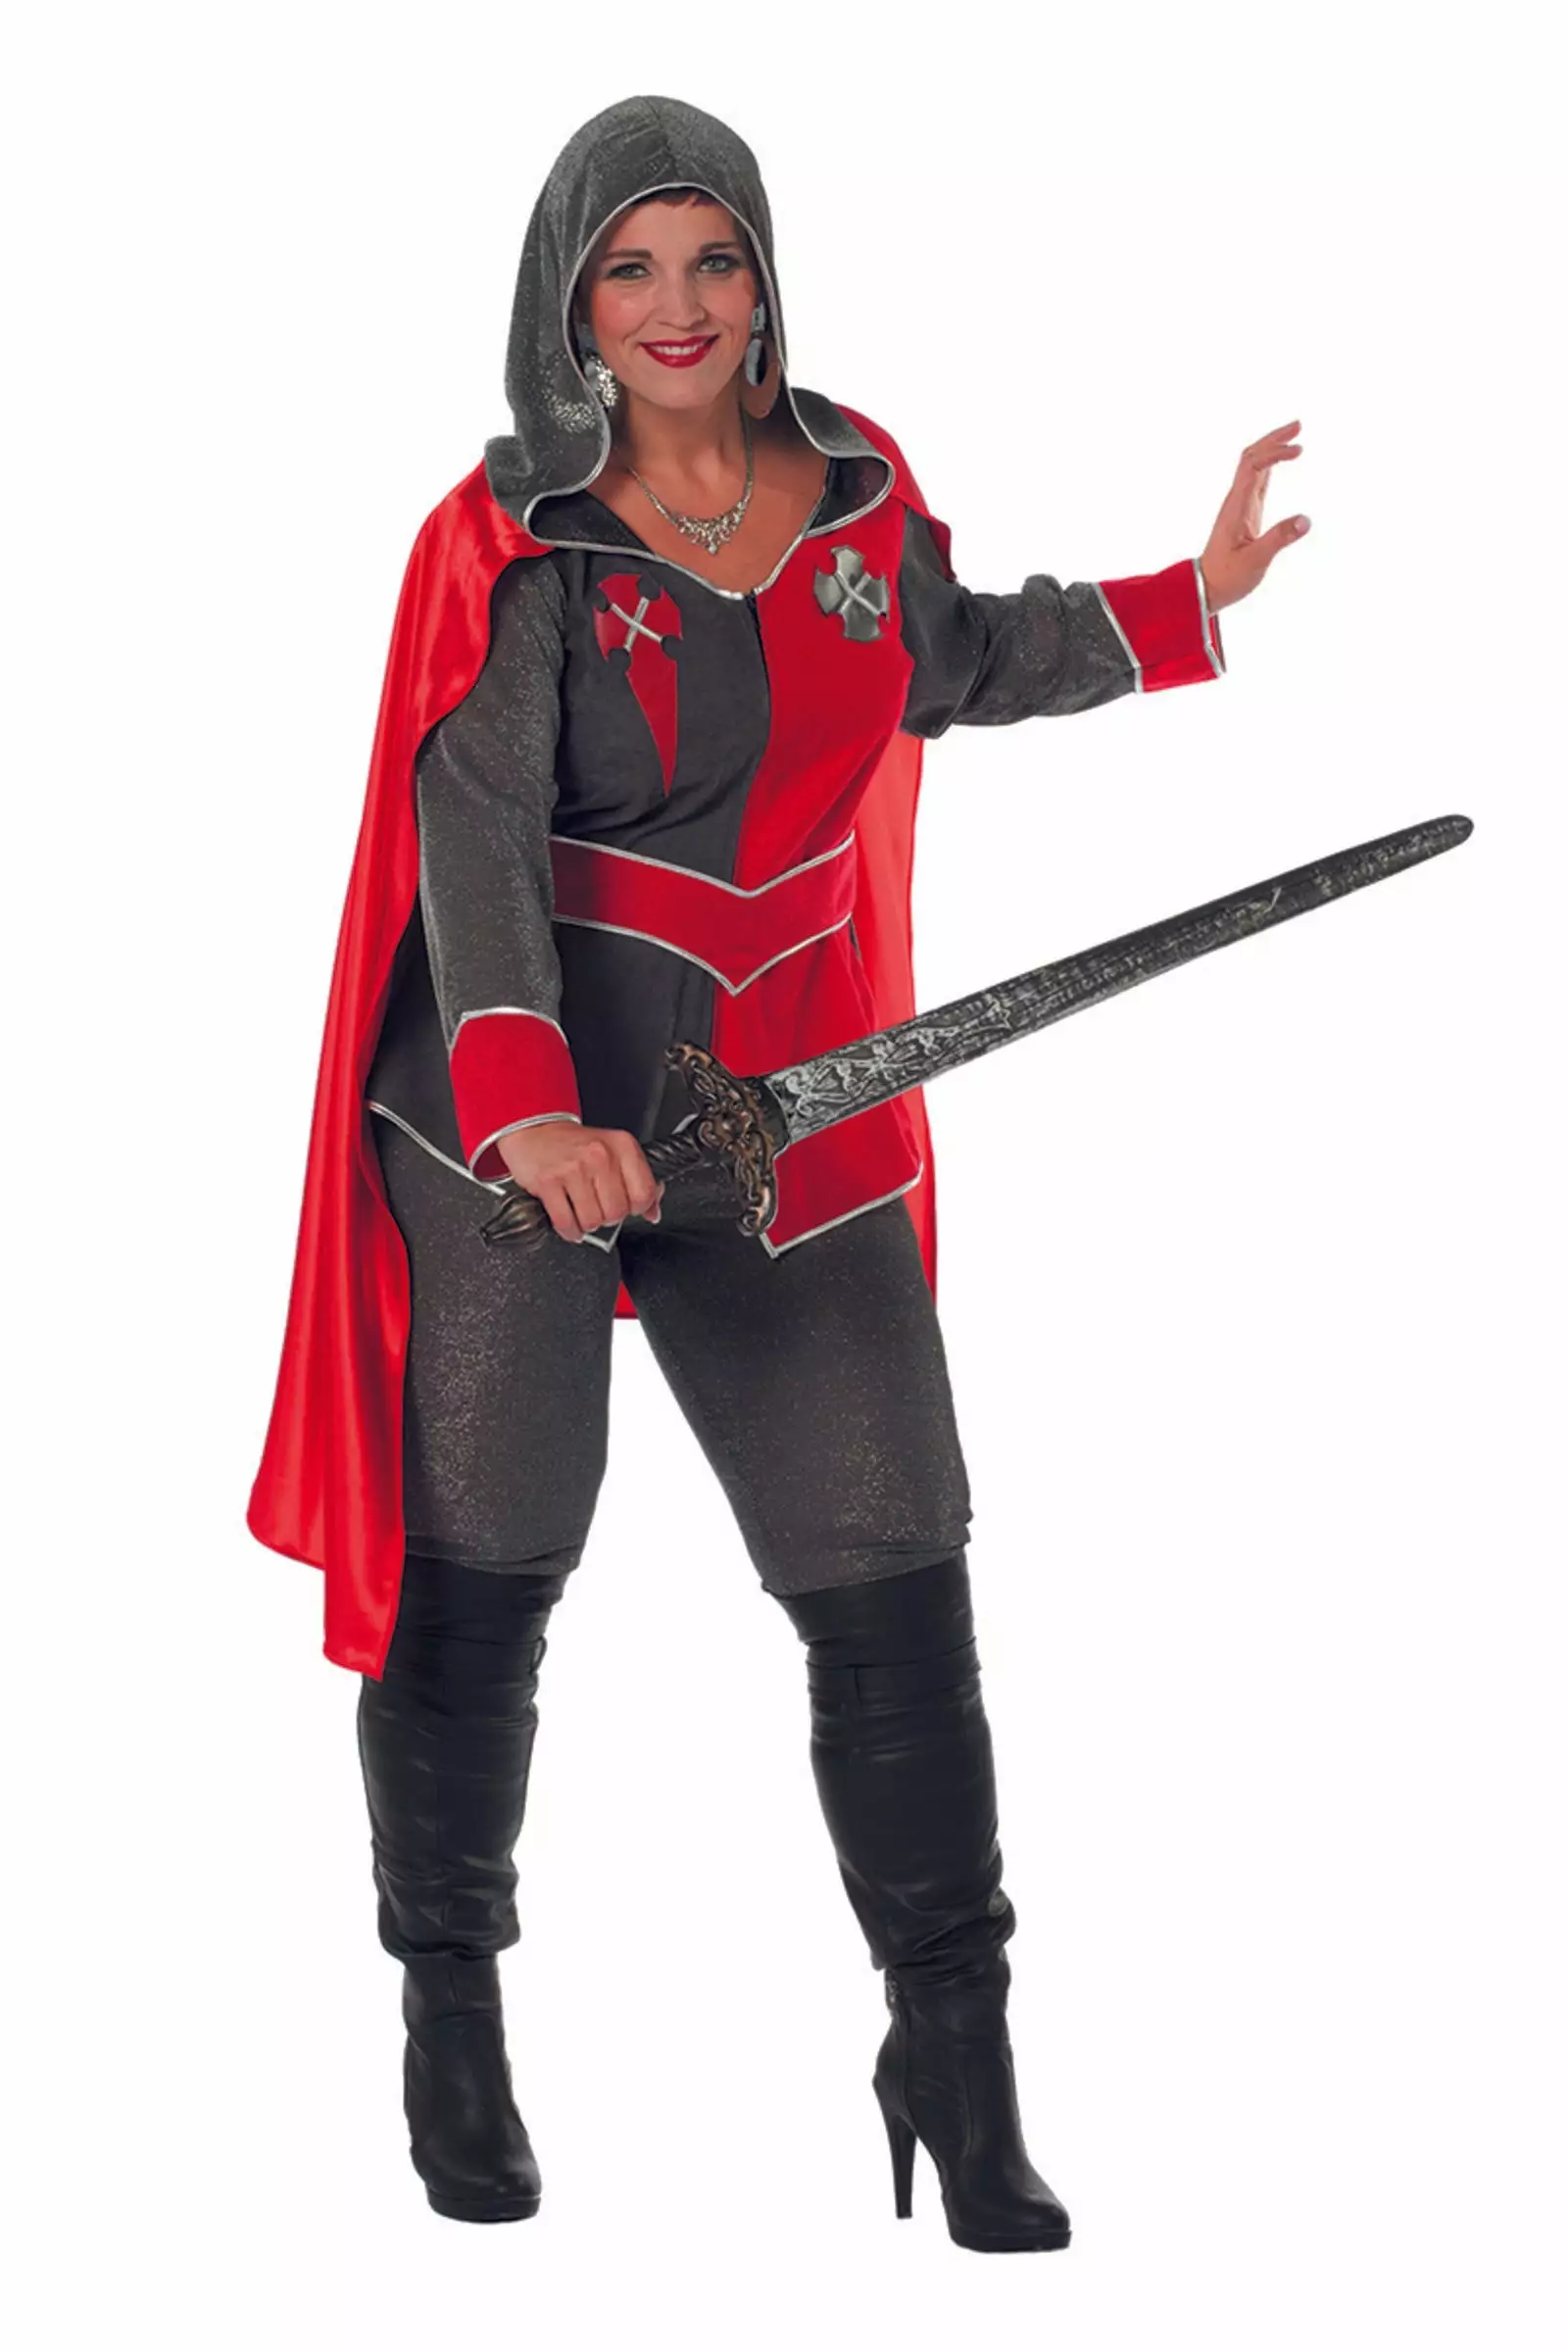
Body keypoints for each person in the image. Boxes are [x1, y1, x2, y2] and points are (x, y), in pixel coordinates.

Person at [246, 92, 1307, 2246]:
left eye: (710, 259)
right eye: (629, 270)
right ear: (568, 305)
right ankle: (450, 2016)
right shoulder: (516, 542)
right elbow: (475, 835)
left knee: (891, 1559)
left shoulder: (857, 487)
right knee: (488, 1555)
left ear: (761, 277)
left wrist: (1181, 600)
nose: (677, 307)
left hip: (784, 1112)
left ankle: (955, 2057)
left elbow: (956, 655)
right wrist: (531, 1111)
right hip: (518, 1116)